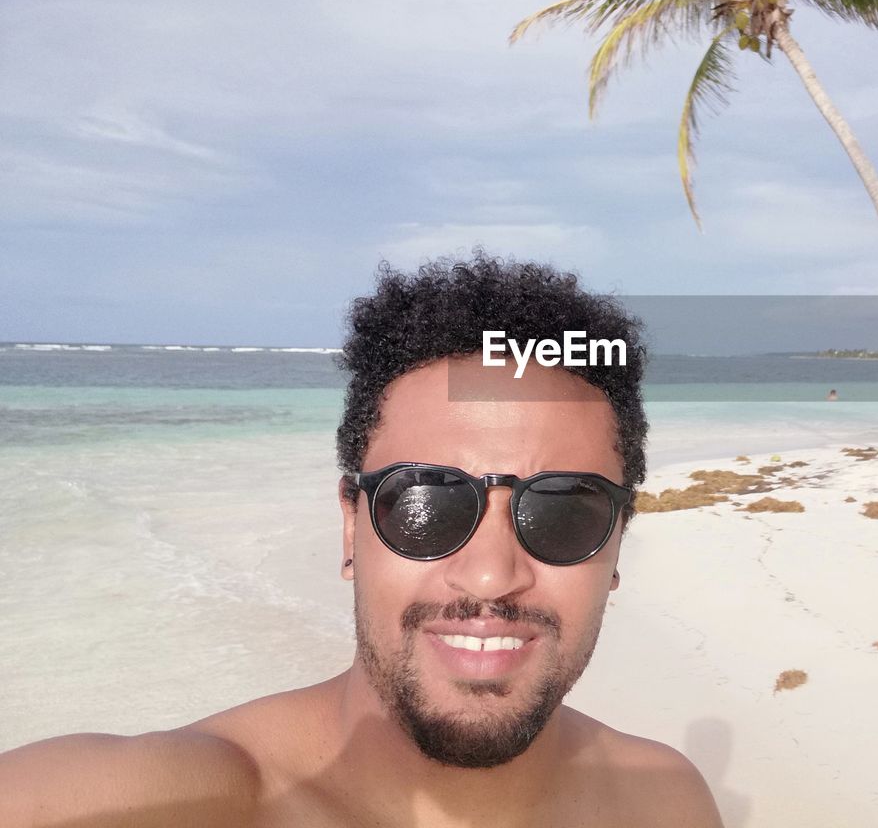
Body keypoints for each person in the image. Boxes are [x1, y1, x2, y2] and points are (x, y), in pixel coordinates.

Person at [0, 254, 723, 828]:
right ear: (352, 527)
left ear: (617, 546)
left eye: (566, 510)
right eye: (427, 502)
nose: (489, 577)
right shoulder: (187, 800)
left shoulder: (668, 806)